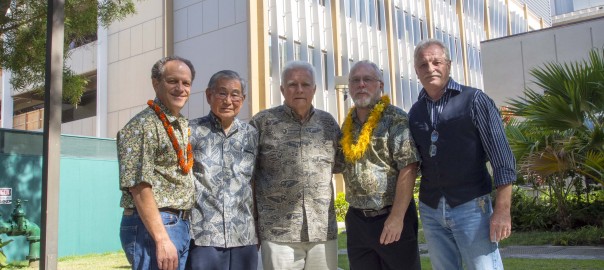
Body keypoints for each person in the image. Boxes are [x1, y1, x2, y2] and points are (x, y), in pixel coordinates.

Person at [408, 39, 516, 270]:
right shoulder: (415, 112)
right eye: (423, 65)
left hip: (471, 207)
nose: (430, 68)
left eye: (436, 62)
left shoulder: (475, 100)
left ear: (448, 64)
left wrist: (502, 211)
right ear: (417, 71)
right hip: (431, 209)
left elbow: (503, 159)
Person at [249, 60, 341, 269]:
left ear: (314, 89)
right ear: (282, 89)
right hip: (278, 232)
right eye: (292, 84)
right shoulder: (262, 123)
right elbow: (249, 178)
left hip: (322, 230)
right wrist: (253, 224)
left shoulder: (328, 124)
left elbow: (340, 165)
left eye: (306, 84)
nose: (299, 89)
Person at [338, 60, 421, 270]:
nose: (361, 85)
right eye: (355, 80)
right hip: (357, 221)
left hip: (391, 217)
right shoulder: (348, 124)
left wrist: (397, 217)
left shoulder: (395, 119)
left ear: (380, 85)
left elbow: (408, 167)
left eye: (367, 79)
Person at [118, 56, 196, 270]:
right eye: (173, 81)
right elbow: (138, 186)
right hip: (156, 226)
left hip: (178, 224)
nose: (180, 88)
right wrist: (161, 239)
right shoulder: (142, 126)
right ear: (155, 82)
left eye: (186, 83)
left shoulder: (180, 124)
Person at [187, 70, 259, 270]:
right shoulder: (191, 131)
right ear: (209, 96)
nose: (228, 100)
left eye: (235, 94)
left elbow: (254, 182)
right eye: (222, 93)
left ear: (243, 99)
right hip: (204, 236)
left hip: (243, 236)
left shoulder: (251, 135)